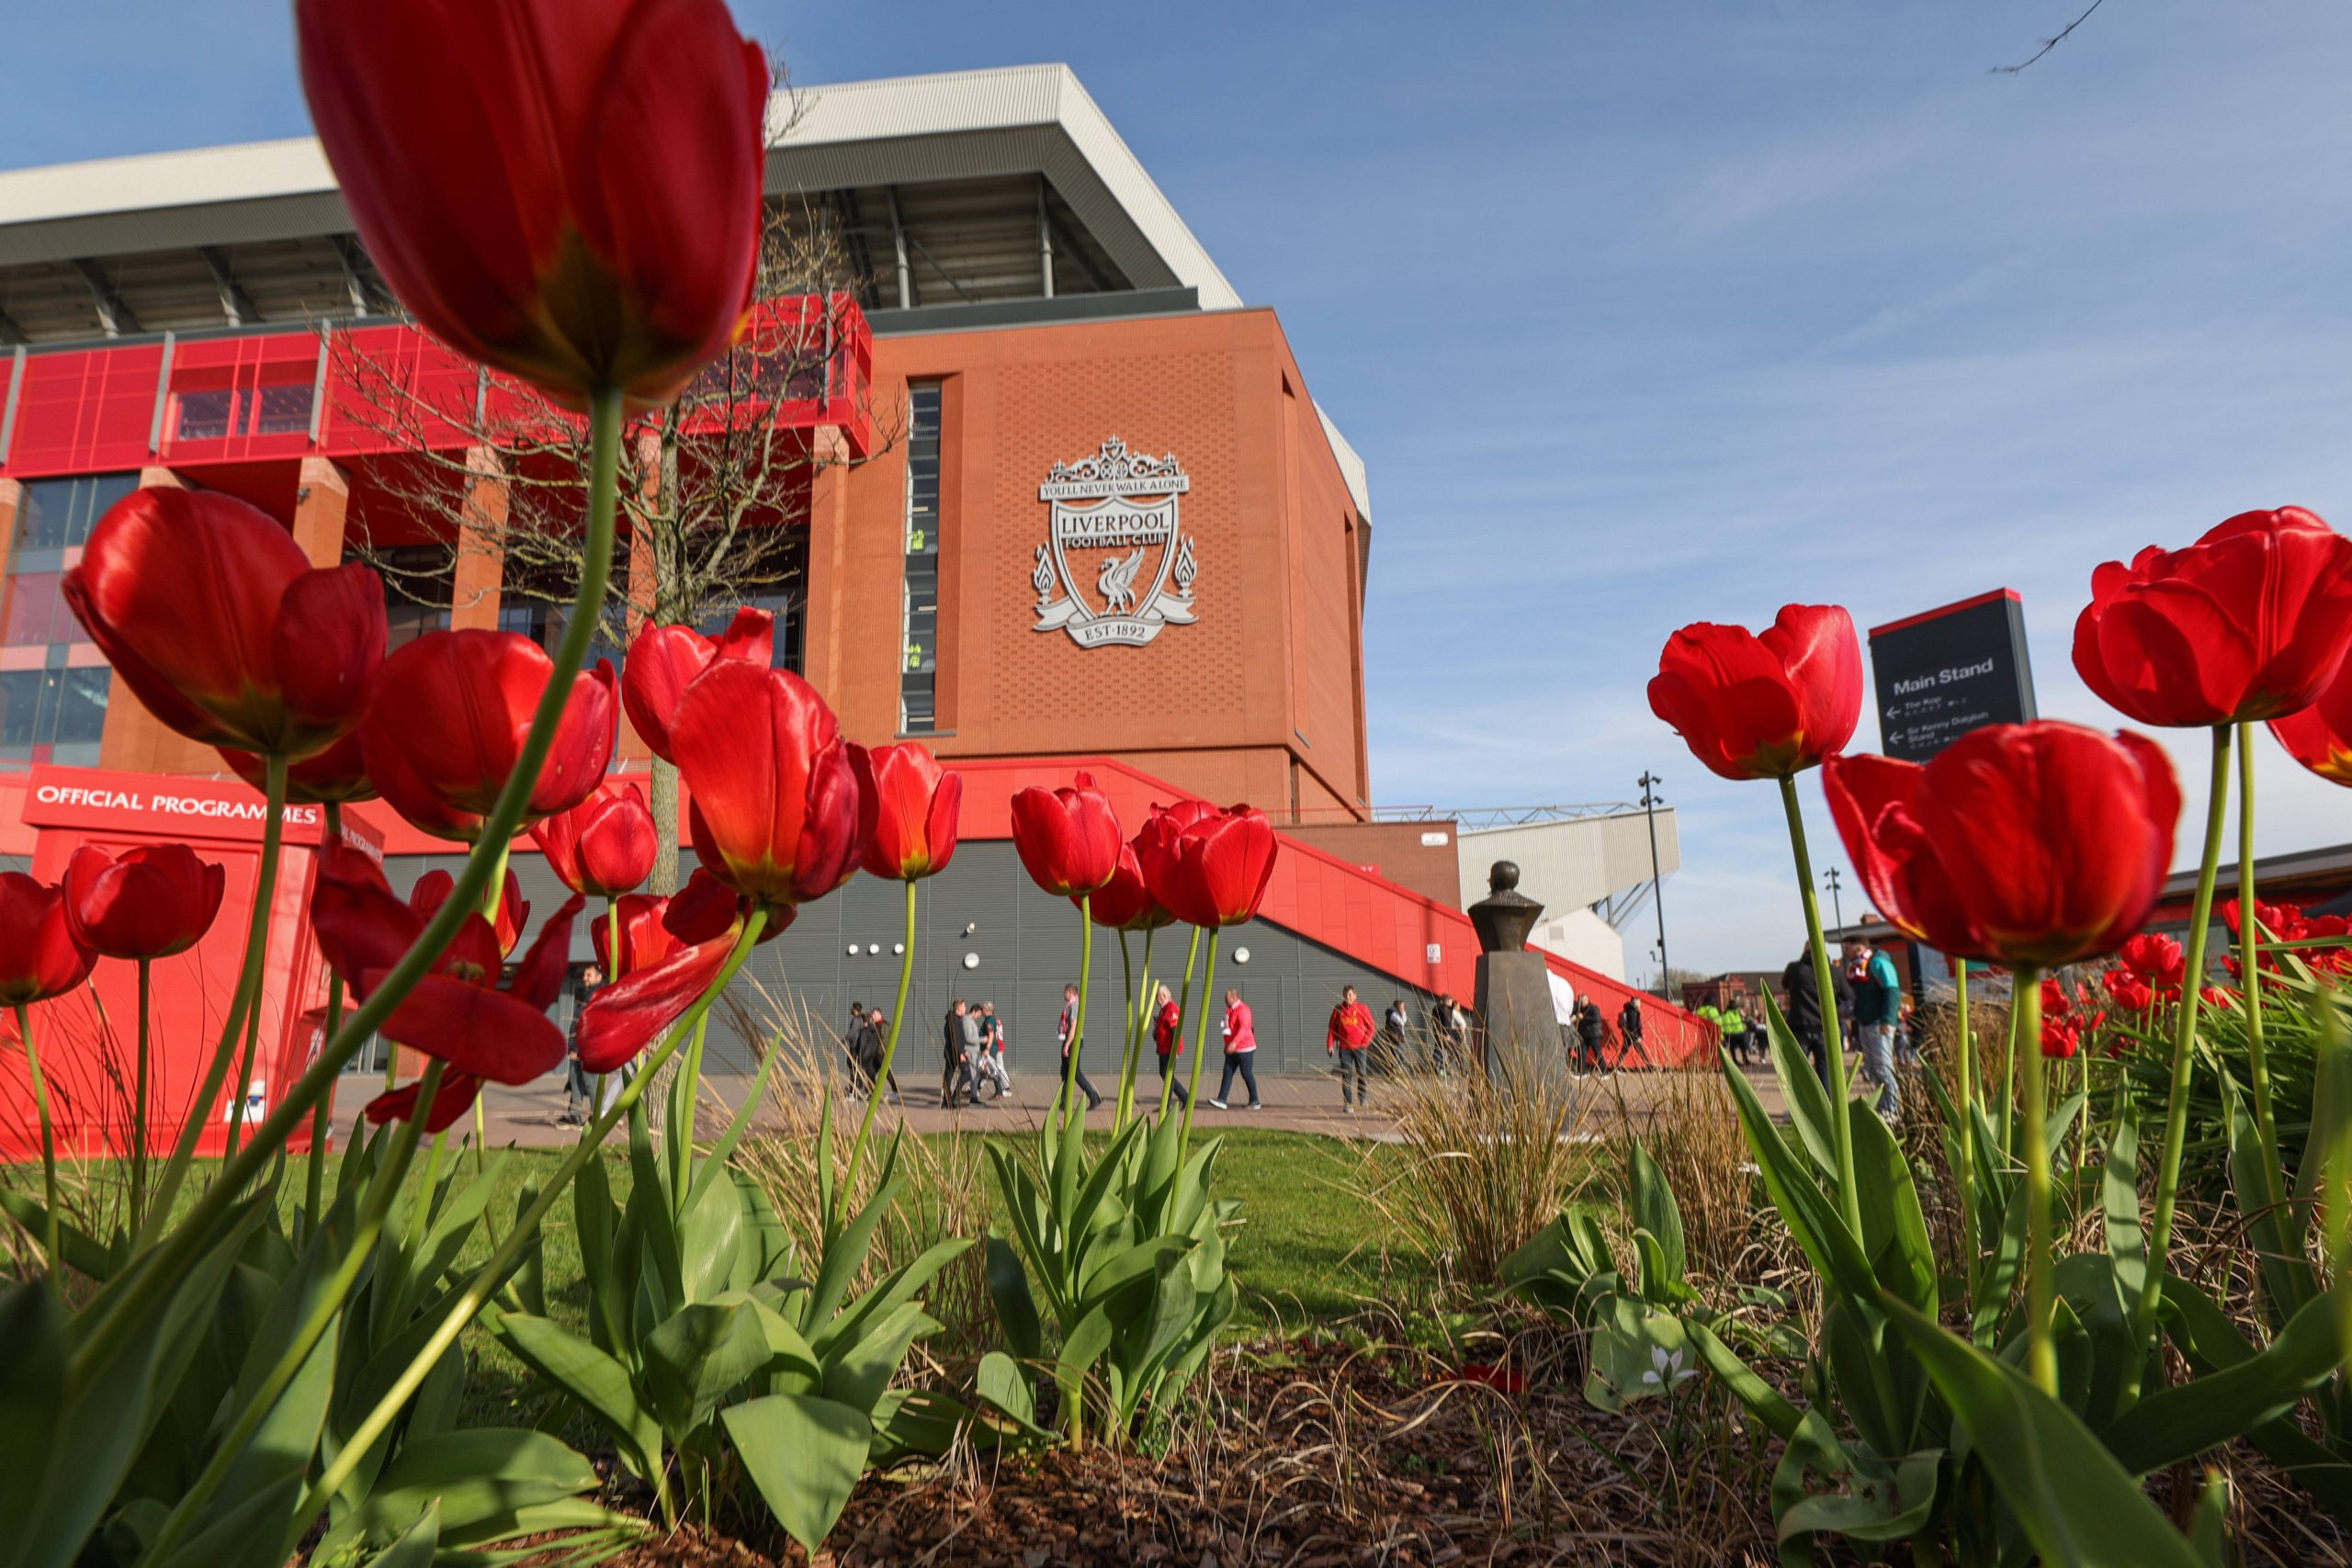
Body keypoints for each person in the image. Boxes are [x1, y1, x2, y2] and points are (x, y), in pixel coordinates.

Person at [1842, 936, 1903, 1121]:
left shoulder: (1877, 963)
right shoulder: (1859, 968)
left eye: (1848, 948)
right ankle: (1883, 1105)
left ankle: (1893, 1109)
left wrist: (1888, 1020)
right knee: (1873, 1068)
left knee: (1884, 1066)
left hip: (1879, 1023)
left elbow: (1892, 990)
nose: (1846, 952)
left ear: (1859, 948)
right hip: (1866, 1022)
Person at [1782, 944, 1853, 1095]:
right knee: (1825, 1071)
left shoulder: (1794, 969)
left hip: (1800, 1026)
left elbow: (1784, 983)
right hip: (1826, 1028)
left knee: (1798, 1071)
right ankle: (1829, 1108)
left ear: (1804, 951)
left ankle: (1799, 1110)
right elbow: (1848, 996)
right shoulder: (1835, 971)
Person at [560, 964, 604, 1125]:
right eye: (584, 974)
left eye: (589, 975)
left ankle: (596, 1117)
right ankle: (575, 1115)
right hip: (576, 1049)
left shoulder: (597, 997)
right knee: (575, 1081)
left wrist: (578, 1049)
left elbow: (591, 1026)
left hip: (587, 1050)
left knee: (590, 1084)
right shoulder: (585, 995)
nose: (584, 977)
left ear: (599, 977)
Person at [1208, 987, 1262, 1110]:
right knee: (1227, 1072)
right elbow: (1229, 1029)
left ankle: (1255, 1100)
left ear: (1233, 998)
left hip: (1244, 1048)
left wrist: (1233, 1043)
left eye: (1226, 998)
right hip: (1232, 1050)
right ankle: (1222, 1099)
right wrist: (1227, 1045)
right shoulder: (1230, 1011)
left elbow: (1244, 1028)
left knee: (1246, 1073)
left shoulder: (1243, 1010)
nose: (1224, 1000)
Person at [1055, 982, 1105, 1111]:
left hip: (1073, 1041)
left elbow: (1074, 1027)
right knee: (1065, 1073)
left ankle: (1093, 1097)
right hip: (1069, 1040)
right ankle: (1063, 1102)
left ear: (1070, 992)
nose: (1063, 994)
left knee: (1074, 1072)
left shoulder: (1075, 1005)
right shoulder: (1070, 1005)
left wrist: (1067, 1046)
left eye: (1065, 991)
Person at [1326, 984, 1375, 1111]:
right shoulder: (1338, 1010)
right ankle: (1348, 1103)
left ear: (1355, 996)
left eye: (1350, 995)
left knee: (1362, 1074)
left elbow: (1371, 1028)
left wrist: (1365, 1043)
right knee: (1346, 1076)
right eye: (1346, 995)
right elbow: (1332, 1029)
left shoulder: (1362, 1008)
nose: (1348, 997)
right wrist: (1330, 1044)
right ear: (1343, 995)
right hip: (1344, 1049)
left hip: (1360, 1048)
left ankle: (1363, 1098)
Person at [1152, 984, 1190, 1107]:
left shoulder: (1171, 1009)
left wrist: (1176, 1050)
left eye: (1157, 996)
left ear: (1163, 996)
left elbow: (1175, 1030)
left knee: (1167, 1075)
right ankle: (1184, 1098)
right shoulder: (1164, 1009)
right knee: (1165, 1074)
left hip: (1169, 1050)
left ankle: (1168, 1104)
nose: (1156, 999)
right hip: (1163, 1049)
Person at [942, 999, 980, 1110]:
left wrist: (964, 1051)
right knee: (966, 1073)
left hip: (955, 1052)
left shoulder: (956, 1019)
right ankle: (952, 1098)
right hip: (953, 1053)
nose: (965, 1009)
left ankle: (948, 1100)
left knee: (948, 1076)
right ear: (958, 1009)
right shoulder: (954, 1021)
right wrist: (960, 1054)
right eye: (964, 1007)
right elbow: (955, 1039)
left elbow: (959, 1039)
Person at [977, 1000, 1013, 1100]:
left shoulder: (989, 1020)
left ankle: (1000, 1091)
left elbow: (991, 1035)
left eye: (983, 1009)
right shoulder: (993, 1019)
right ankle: (978, 1089)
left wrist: (987, 1048)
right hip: (991, 1048)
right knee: (986, 1069)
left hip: (990, 1049)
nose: (981, 1011)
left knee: (991, 1070)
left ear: (987, 1010)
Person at [1430, 993, 1466, 1076]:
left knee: (1438, 1051)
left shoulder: (1435, 1008)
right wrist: (1447, 1034)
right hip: (1446, 1034)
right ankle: (1462, 1071)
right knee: (1457, 1052)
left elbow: (1433, 1021)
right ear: (1448, 1001)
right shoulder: (1446, 1009)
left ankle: (1434, 1069)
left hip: (1438, 1033)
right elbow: (1447, 1022)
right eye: (1450, 1001)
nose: (1451, 1003)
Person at [1575, 995, 1607, 1074]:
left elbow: (1597, 1018)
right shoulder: (1579, 1010)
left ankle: (1604, 1071)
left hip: (1593, 1035)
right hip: (1584, 1035)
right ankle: (1582, 1072)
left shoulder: (1593, 1008)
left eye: (1583, 1001)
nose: (1581, 1003)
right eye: (1580, 1002)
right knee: (1582, 1053)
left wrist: (1583, 1018)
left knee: (1597, 1053)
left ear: (1587, 1000)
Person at [1617, 994, 1651, 1068]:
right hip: (1633, 1036)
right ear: (1635, 1003)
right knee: (1641, 1052)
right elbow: (1633, 1026)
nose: (1640, 1004)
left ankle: (1617, 1066)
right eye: (1639, 1002)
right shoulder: (1633, 1012)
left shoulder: (1629, 1010)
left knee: (1624, 1051)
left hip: (1628, 1035)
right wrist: (1638, 1037)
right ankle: (1650, 1067)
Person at [1380, 998, 1409, 1072]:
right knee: (1396, 1057)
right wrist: (1403, 1013)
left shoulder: (1397, 1012)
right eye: (1402, 1007)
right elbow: (1402, 1023)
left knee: (1401, 1056)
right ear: (1398, 1006)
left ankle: (1395, 1071)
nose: (1403, 1008)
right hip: (1394, 1039)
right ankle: (1393, 1072)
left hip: (1399, 1038)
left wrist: (1403, 1013)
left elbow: (1404, 1021)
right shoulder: (1392, 1014)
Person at [1720, 1001, 1751, 1066]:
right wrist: (1728, 1034)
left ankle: (1745, 1060)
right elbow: (1726, 1024)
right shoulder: (1726, 1014)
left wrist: (1744, 1015)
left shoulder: (1737, 1012)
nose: (1737, 1008)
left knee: (1743, 1046)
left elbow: (1746, 1019)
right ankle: (1736, 1061)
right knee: (1733, 1047)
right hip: (1732, 1034)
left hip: (1740, 1032)